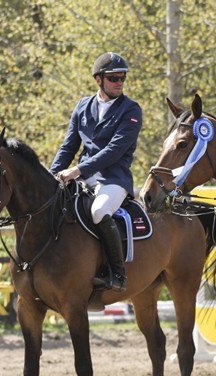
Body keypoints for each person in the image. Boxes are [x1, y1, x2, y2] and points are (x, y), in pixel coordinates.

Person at [50, 52, 143, 292]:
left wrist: (77, 170)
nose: (120, 82)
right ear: (98, 79)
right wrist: (52, 175)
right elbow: (69, 146)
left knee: (100, 210)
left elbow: (114, 151)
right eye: (113, 78)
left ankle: (117, 273)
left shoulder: (131, 110)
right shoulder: (83, 106)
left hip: (113, 178)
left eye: (122, 77)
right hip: (82, 176)